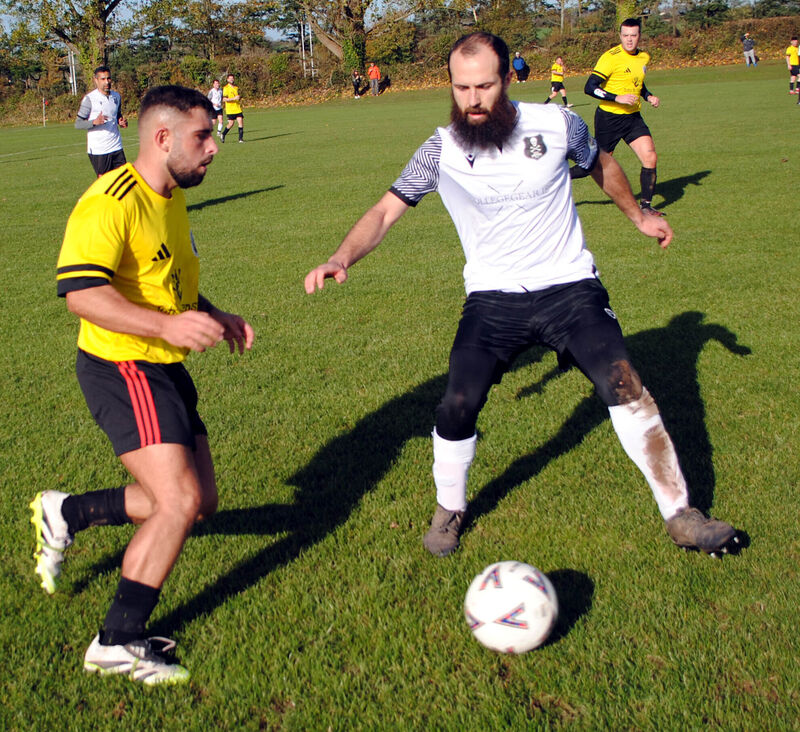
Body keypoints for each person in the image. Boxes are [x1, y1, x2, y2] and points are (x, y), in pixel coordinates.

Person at [304, 32, 738, 562]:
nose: (472, 99)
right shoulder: (441, 148)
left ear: (508, 78)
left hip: (570, 289)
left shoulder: (558, 124)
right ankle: (450, 508)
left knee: (623, 382)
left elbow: (601, 165)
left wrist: (639, 215)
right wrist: (340, 257)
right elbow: (385, 211)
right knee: (457, 403)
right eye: (461, 87)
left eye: (484, 85)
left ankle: (681, 515)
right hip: (493, 300)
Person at [33, 85, 254, 685]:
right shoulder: (110, 201)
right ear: (162, 138)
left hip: (162, 362)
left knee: (197, 502)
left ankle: (70, 512)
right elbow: (81, 294)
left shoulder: (172, 196)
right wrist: (168, 326)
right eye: (202, 137)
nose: (213, 148)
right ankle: (118, 640)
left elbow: (163, 284)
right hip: (122, 365)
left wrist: (212, 313)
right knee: (176, 502)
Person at [583, 18, 664, 217]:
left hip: (633, 118)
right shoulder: (610, 57)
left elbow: (637, 83)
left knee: (650, 156)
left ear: (639, 36)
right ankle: (558, 175)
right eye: (625, 35)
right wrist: (616, 98)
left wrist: (648, 96)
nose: (629, 40)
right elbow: (590, 87)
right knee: (592, 165)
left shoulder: (644, 57)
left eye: (633, 36)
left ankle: (646, 206)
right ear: (620, 36)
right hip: (609, 119)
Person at [75, 65, 128, 177]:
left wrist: (121, 121)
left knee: (124, 180)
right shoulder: (89, 99)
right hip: (99, 150)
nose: (107, 82)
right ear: (96, 80)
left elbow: (117, 115)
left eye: (108, 78)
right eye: (103, 79)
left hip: (116, 146)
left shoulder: (116, 96)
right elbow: (78, 124)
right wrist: (93, 122)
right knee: (106, 185)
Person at [222, 73, 244, 143]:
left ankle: (240, 139)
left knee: (240, 121)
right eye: (230, 78)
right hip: (230, 109)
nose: (231, 79)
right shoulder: (225, 88)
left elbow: (237, 97)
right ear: (227, 79)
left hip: (237, 108)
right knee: (231, 124)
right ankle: (223, 134)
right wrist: (234, 98)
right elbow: (224, 99)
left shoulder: (236, 88)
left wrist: (238, 98)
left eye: (232, 78)